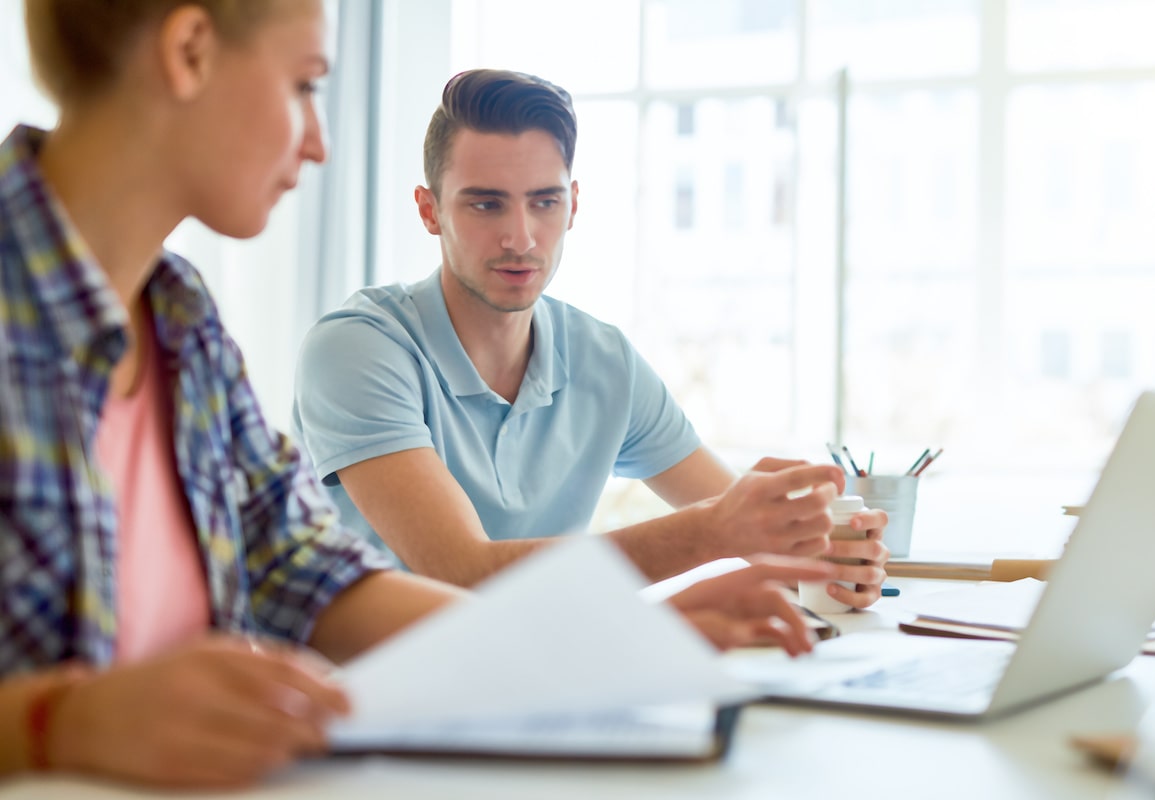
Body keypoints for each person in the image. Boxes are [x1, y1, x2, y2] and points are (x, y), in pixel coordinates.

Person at [0, 3, 840, 790]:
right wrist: (57, 722)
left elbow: (311, 576)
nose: (321, 142)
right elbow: (459, 571)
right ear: (188, 52)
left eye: (544, 202)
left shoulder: (183, 324)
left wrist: (613, 644)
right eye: (304, 85)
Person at [293, 69, 890, 602]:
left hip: (545, 688)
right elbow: (463, 574)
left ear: (573, 204)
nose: (521, 237)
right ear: (430, 211)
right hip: (369, 704)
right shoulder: (358, 350)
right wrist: (715, 531)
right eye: (486, 206)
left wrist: (828, 560)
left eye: (544, 201)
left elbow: (742, 525)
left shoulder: (604, 361)